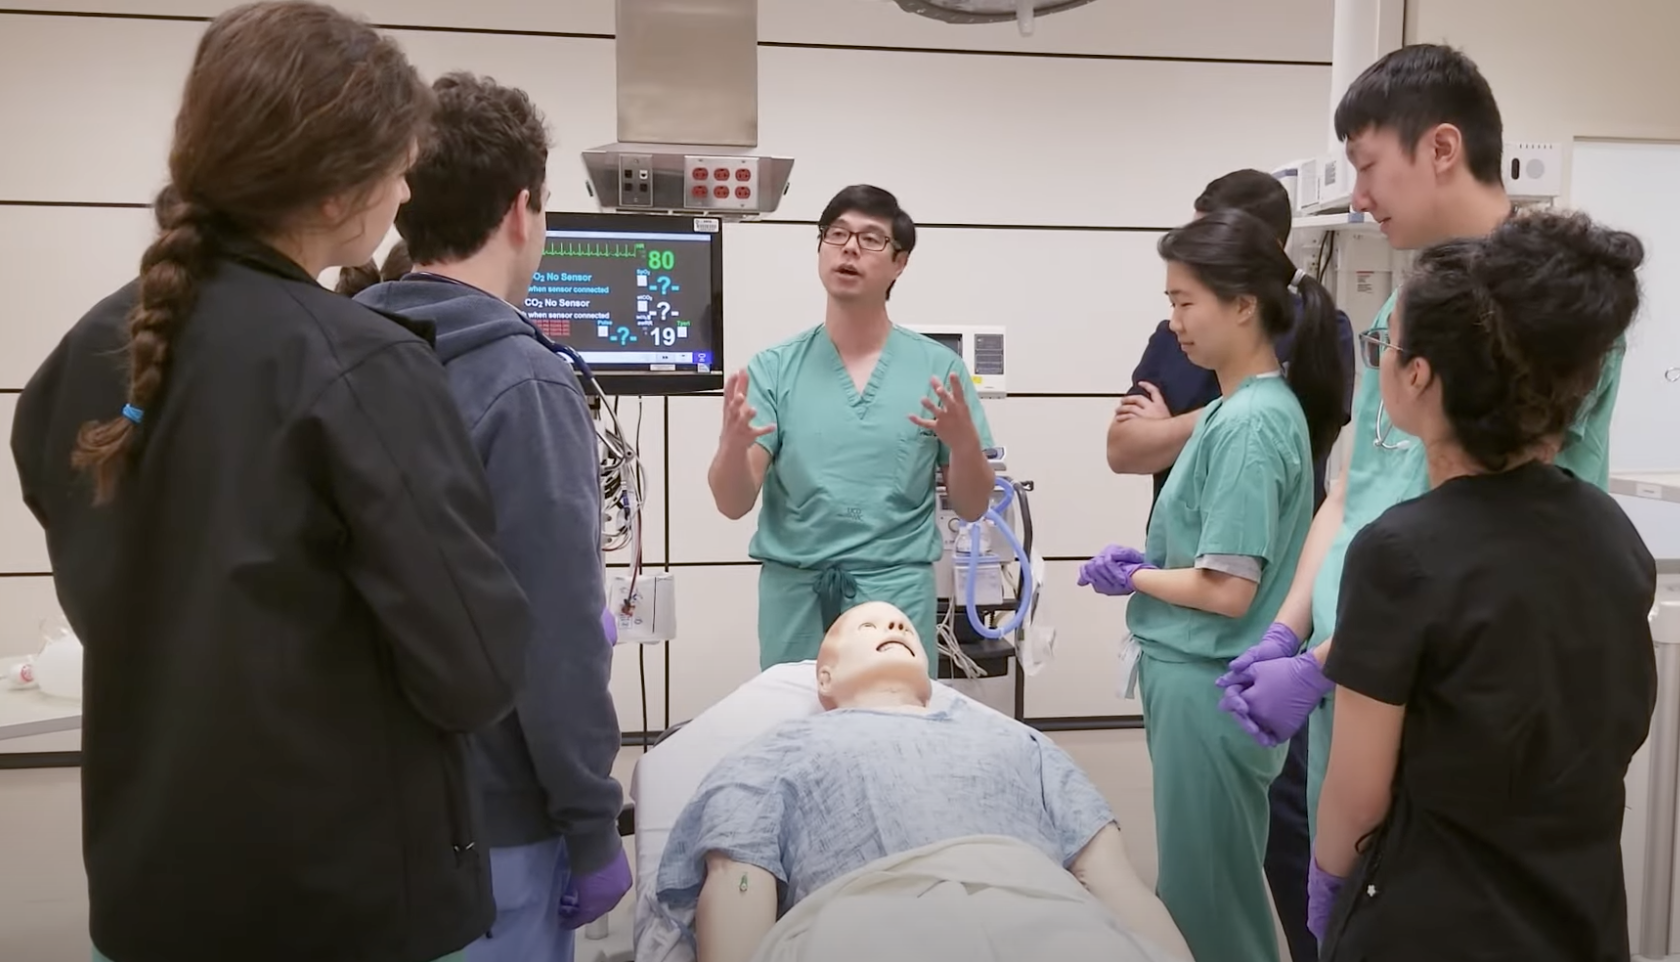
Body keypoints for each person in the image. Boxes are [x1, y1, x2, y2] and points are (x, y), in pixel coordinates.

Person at [7, 5, 532, 962]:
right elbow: (473, 670)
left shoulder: (79, 357)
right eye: (399, 161)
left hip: (148, 892)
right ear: (337, 192)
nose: (409, 181)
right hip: (334, 901)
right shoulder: (363, 367)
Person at [1215, 44, 1629, 835]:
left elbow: (1488, 553)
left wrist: (1327, 658)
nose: (1361, 198)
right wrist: (1288, 630)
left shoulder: (1553, 318)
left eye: (1368, 168)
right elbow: (1354, 488)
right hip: (1352, 666)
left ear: (1442, 147)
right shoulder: (1394, 319)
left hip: (1446, 678)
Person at [1308, 210, 1653, 961]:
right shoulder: (1612, 534)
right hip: (1580, 915)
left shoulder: (1398, 552)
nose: (1380, 360)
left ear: (1419, 376)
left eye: (1385, 346)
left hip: (1442, 921)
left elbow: (1357, 797)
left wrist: (1329, 882)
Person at [343, 73, 629, 961]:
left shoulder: (333, 348)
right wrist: (589, 824)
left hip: (353, 813)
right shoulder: (526, 383)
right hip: (493, 828)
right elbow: (550, 643)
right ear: (521, 209)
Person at [1078, 208, 1348, 962]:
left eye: (1185, 302)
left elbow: (1227, 590)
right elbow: (1218, 558)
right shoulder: (1239, 410)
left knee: (1207, 904)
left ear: (1243, 305)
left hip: (1208, 683)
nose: (1174, 324)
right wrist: (1149, 567)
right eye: (1170, 302)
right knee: (1214, 891)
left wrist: (1138, 577)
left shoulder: (1252, 422)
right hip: (1196, 680)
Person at [654, 600, 1191, 962]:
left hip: (1045, 918)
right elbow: (737, 882)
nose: (892, 628)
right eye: (868, 628)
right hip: (866, 921)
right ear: (824, 676)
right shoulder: (774, 751)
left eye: (903, 628)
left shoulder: (1021, 743)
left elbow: (1116, 882)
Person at [707, 185, 996, 672]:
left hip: (895, 599)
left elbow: (972, 506)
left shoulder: (937, 369)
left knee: (892, 733)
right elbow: (732, 503)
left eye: (870, 239)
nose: (849, 248)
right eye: (836, 234)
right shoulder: (774, 370)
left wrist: (965, 445)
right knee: (795, 734)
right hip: (798, 598)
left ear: (899, 263)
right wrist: (733, 447)